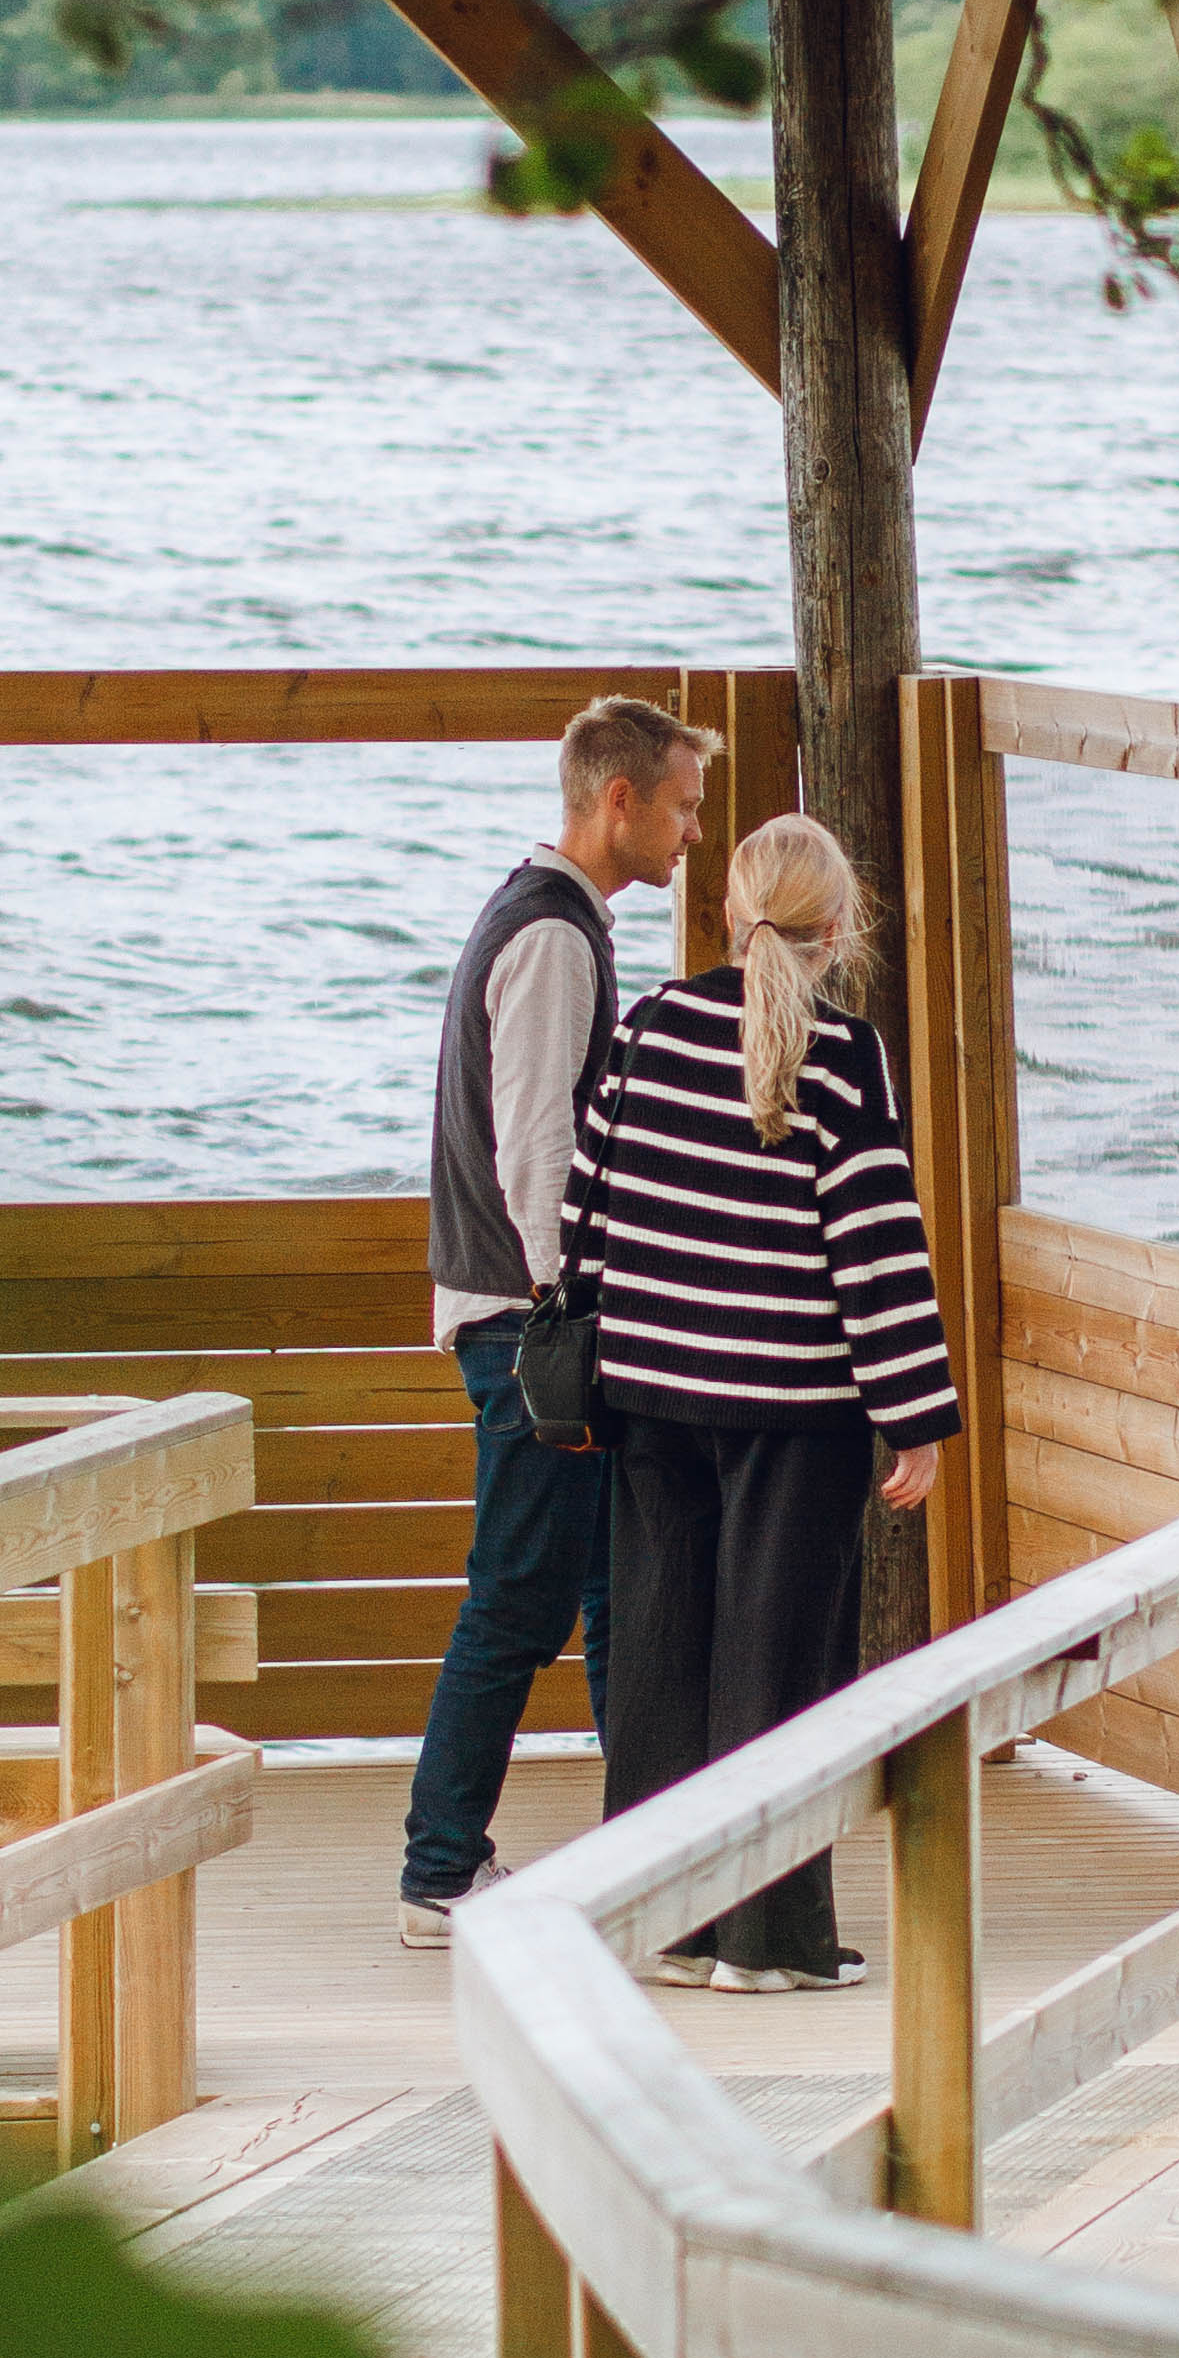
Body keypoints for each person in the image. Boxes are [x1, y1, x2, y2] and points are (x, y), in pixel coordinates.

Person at [557, 811, 958, 1988]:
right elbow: (874, 1245)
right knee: (777, 1668)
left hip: (651, 1393)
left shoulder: (649, 1027)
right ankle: (769, 1941)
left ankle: (660, 1923)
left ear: (729, 916)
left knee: (658, 1659)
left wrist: (595, 1346)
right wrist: (913, 1414)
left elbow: (586, 1209)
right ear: (838, 929)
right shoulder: (844, 1057)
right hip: (794, 1402)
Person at [399, 693, 714, 1946]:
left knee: (602, 1588)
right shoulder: (550, 937)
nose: (693, 832)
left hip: (523, 1315)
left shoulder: (545, 918)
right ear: (617, 799)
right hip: (530, 1324)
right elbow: (535, 1145)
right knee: (520, 1598)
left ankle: (638, 1847)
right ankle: (439, 1870)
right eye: (682, 806)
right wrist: (562, 1313)